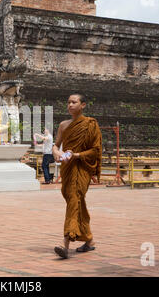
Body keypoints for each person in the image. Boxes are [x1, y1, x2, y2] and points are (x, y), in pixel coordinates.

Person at [52, 93, 102, 259]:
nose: (70, 105)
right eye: (68, 102)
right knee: (76, 201)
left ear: (83, 105)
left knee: (74, 198)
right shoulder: (63, 125)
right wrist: (56, 152)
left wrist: (77, 155)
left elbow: (95, 150)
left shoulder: (90, 124)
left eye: (74, 102)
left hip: (82, 168)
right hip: (67, 168)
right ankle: (89, 240)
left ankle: (65, 243)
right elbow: (56, 145)